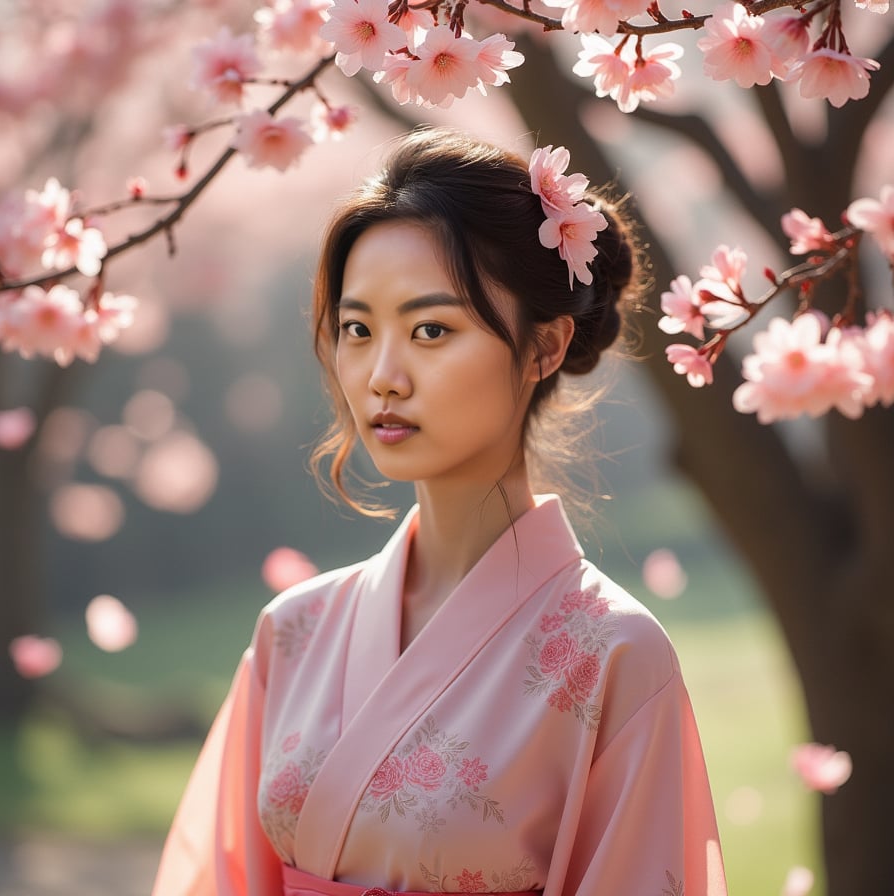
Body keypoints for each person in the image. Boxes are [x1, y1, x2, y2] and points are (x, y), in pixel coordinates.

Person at [151, 128, 728, 896]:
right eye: (358, 330)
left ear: (544, 347)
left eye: (431, 330)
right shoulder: (293, 631)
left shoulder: (614, 657)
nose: (383, 376)